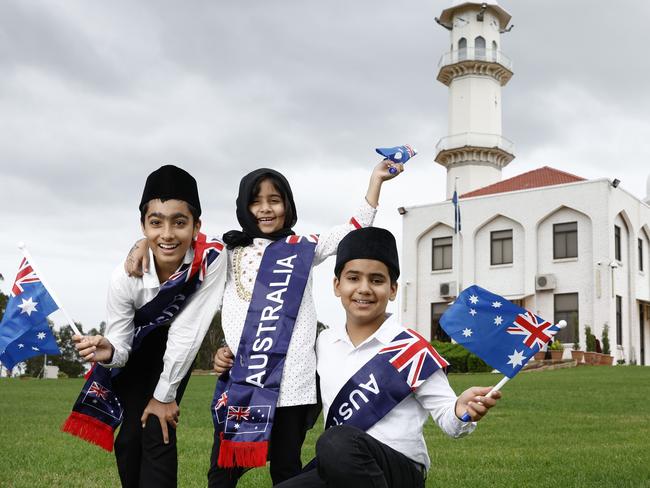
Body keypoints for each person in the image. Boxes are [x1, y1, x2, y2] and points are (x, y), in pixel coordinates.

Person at [126, 162, 403, 486]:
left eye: (275, 199)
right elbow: (176, 245)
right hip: (245, 381)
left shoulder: (303, 247)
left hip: (294, 388)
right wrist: (141, 243)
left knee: (286, 471)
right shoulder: (227, 250)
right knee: (222, 471)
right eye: (256, 200)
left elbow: (352, 229)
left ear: (287, 204)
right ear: (244, 205)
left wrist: (375, 182)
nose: (265, 208)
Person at [216, 227, 501, 488]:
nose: (364, 288)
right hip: (339, 466)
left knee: (337, 440)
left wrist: (462, 411)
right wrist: (229, 355)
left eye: (376, 280)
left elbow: (451, 423)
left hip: (398, 471)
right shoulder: (324, 343)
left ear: (392, 290)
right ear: (337, 285)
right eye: (354, 278)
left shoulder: (411, 348)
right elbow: (283, 367)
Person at [66, 165, 227, 488]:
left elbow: (188, 331)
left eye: (179, 223)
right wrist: (108, 349)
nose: (167, 234)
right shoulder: (124, 278)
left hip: (177, 350)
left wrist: (165, 396)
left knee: (157, 427)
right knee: (128, 441)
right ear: (143, 226)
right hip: (138, 354)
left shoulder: (212, 259)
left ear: (197, 226)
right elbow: (122, 347)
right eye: (156, 223)